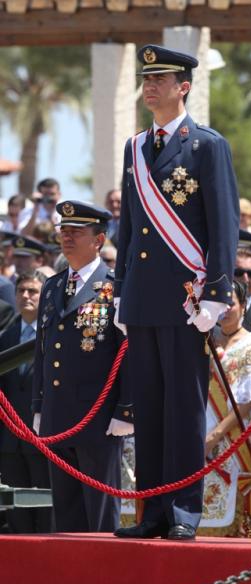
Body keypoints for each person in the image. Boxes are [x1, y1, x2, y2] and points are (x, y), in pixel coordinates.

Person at [113, 44, 239, 541]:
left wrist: (218, 293)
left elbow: (223, 225)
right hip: (143, 297)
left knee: (184, 409)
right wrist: (122, 290)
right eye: (147, 79)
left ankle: (185, 511)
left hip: (188, 300)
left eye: (160, 78)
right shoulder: (135, 148)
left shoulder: (207, 145)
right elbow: (131, 227)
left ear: (183, 86)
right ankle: (153, 511)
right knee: (149, 406)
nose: (151, 86)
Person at [32, 200, 134, 533]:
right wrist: (38, 405)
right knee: (66, 512)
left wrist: (125, 410)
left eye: (77, 231)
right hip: (58, 415)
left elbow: (128, 353)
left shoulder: (115, 286)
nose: (67, 237)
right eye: (64, 230)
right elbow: (42, 351)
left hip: (98, 418)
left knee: (100, 512)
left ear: (99, 240)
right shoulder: (52, 286)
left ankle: (105, 580)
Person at [198, 280, 251, 537]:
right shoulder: (202, 340)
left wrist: (215, 435)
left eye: (231, 304)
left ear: (243, 306)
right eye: (220, 305)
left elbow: (249, 400)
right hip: (200, 432)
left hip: (235, 435)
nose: (225, 309)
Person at [0, 271, 52, 533]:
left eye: (33, 291)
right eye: (21, 290)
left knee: (45, 506)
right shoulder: (6, 336)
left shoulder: (52, 333)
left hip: (40, 435)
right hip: (9, 438)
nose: (26, 296)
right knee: (15, 511)